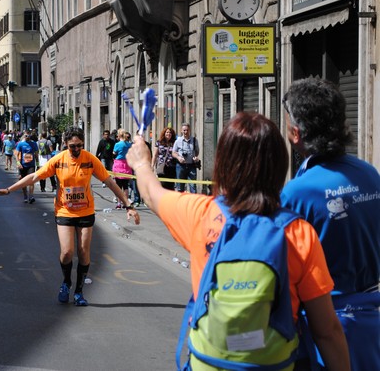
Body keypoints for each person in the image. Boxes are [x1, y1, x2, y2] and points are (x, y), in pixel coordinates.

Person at [126, 112, 350, 371]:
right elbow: (327, 331)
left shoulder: (200, 213)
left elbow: (152, 195)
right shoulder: (298, 232)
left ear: (223, 163)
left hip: (209, 362)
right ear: (278, 165)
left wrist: (142, 162)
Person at [280, 78, 380, 371]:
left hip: (321, 334)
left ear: (296, 133)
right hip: (370, 325)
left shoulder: (297, 192)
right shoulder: (369, 174)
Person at [0, 127, 140, 306]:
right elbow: (34, 177)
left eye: (79, 146)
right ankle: (66, 282)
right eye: (72, 146)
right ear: (65, 145)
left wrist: (128, 205)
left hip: (85, 211)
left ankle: (78, 291)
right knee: (67, 252)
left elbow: (109, 181)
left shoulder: (90, 159)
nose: (76, 149)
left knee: (84, 252)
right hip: (64, 211)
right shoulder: (59, 160)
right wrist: (8, 190)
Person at [172, 123, 200, 193]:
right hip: (180, 166)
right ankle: (180, 203)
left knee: (193, 187)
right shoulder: (178, 141)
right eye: (184, 130)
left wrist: (195, 157)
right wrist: (178, 158)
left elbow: (197, 151)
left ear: (189, 130)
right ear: (181, 131)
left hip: (191, 166)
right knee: (180, 187)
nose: (185, 132)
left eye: (187, 130)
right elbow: (173, 153)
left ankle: (193, 203)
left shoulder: (194, 140)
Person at [112, 129, 132, 209]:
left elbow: (114, 153)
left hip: (119, 164)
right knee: (126, 186)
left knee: (119, 186)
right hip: (126, 164)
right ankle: (126, 203)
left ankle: (119, 203)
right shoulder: (128, 144)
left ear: (119, 135)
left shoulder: (117, 144)